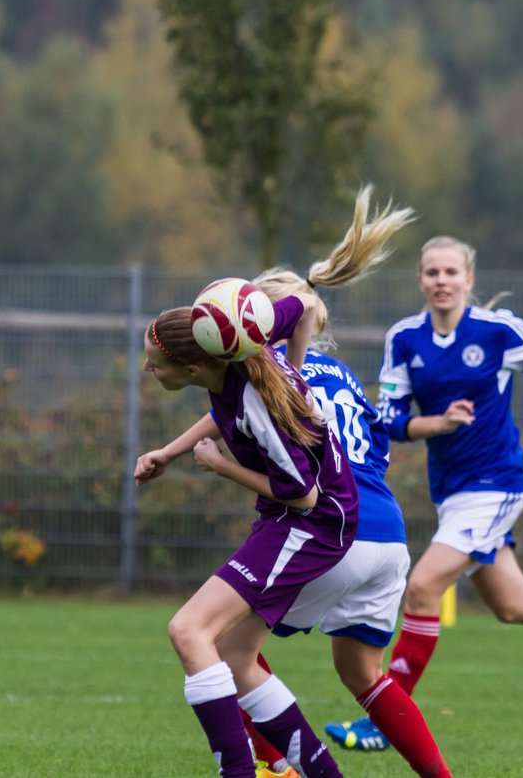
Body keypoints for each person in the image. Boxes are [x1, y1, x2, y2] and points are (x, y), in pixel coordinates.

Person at [327, 233, 523, 752]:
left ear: (469, 279)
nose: (441, 281)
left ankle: (384, 720)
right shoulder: (404, 339)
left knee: (422, 587)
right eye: (432, 272)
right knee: (511, 604)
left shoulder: (497, 331)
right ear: (421, 280)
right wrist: (435, 424)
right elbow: (389, 419)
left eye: (450, 272)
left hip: (498, 483)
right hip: (451, 492)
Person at [196, 267, 452, 776]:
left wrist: (217, 462)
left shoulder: (264, 374)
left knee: (226, 645)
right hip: (387, 531)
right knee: (362, 672)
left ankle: (277, 767)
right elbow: (377, 448)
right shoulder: (341, 372)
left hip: (334, 527)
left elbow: (281, 465)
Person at [134, 286, 354, 778]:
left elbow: (303, 496)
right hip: (303, 518)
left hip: (312, 522)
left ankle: (237, 772)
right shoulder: (245, 339)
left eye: (155, 364)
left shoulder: (257, 402)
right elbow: (304, 304)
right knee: (235, 656)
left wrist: (220, 465)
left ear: (195, 369)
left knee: (188, 631)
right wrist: (169, 453)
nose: (149, 370)